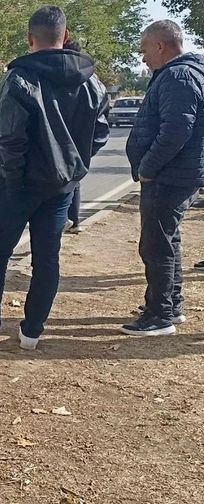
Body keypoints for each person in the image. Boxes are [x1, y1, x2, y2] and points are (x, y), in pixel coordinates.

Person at [0, 6, 110, 350]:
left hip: (18, 186)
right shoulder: (92, 81)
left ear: (30, 38)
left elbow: (10, 138)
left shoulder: (19, 78)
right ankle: (31, 332)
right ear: (66, 36)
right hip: (60, 187)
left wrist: (12, 181)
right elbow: (100, 133)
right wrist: (73, 166)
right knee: (47, 257)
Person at [122, 21, 204, 336]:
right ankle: (170, 305)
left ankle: (160, 316)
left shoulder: (177, 76)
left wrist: (148, 168)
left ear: (160, 46)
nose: (142, 58)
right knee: (168, 241)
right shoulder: (183, 73)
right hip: (177, 174)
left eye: (144, 50)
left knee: (156, 245)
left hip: (169, 176)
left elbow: (176, 131)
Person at [63, 39, 84, 235]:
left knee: (66, 186)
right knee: (74, 183)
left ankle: (68, 220)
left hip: (63, 145)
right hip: (77, 145)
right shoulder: (89, 80)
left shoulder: (59, 79)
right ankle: (74, 220)